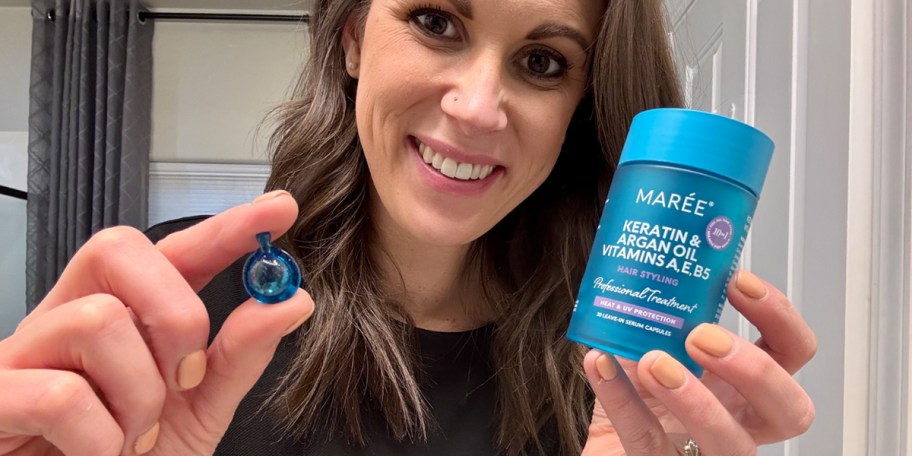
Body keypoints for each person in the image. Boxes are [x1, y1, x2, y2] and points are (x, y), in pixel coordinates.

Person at [0, 0, 817, 454]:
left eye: (542, 63)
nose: (474, 106)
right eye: (436, 21)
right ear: (353, 37)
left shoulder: (610, 368)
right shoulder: (180, 299)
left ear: (582, 107)